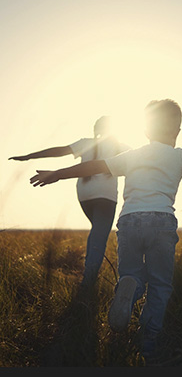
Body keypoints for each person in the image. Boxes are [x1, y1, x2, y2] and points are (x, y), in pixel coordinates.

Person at [30, 98, 182, 362]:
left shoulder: (132, 155)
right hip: (162, 222)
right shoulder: (180, 156)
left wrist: (58, 173)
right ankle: (148, 340)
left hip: (128, 222)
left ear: (146, 130)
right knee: (161, 285)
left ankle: (129, 287)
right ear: (177, 131)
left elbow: (95, 166)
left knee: (131, 273)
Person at [9, 116, 129, 288]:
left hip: (84, 196)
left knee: (96, 232)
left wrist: (29, 156)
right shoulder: (121, 147)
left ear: (96, 129)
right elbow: (140, 158)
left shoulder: (85, 143)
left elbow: (58, 151)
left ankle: (88, 273)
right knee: (99, 236)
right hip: (105, 196)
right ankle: (88, 283)